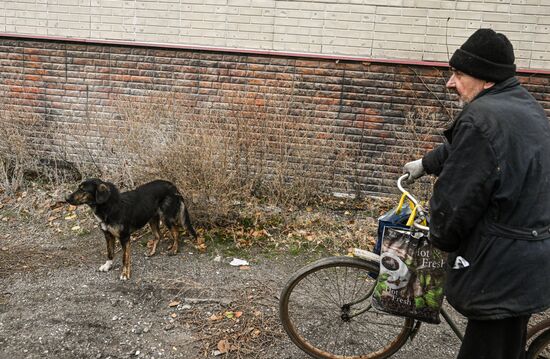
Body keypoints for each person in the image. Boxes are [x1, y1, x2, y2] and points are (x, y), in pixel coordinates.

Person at [403, 28, 550, 359]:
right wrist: (427, 163)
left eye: (458, 74)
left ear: (486, 80)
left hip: (501, 266)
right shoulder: (521, 104)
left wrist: (439, 237)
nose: (449, 83)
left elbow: (455, 200)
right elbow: (474, 148)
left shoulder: (482, 117)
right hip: (527, 255)